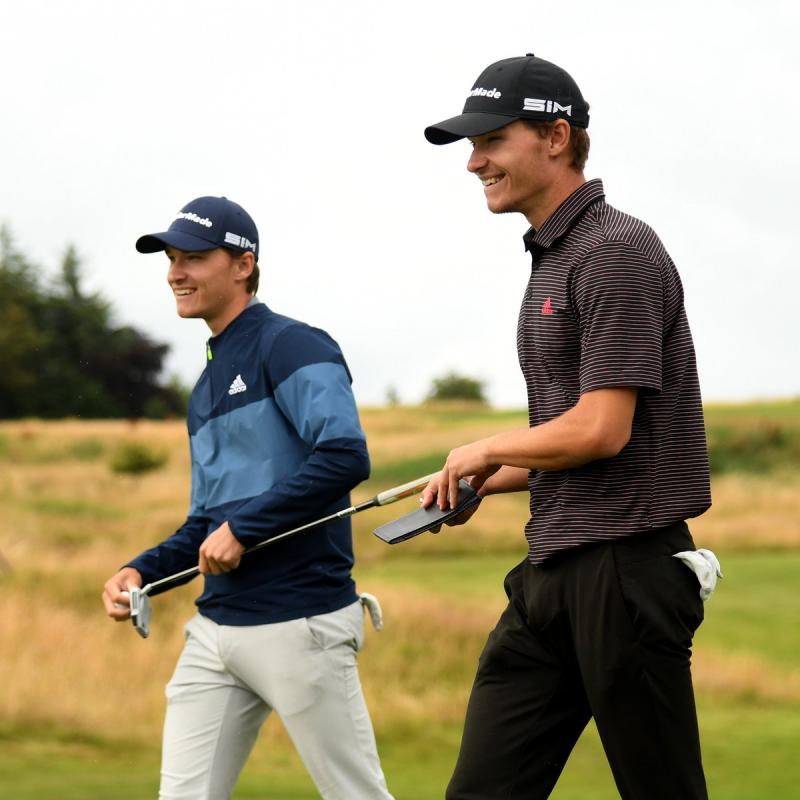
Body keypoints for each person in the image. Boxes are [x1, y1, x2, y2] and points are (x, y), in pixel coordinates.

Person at [421, 54, 715, 799]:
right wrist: (484, 476)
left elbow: (602, 431)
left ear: (557, 138)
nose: (474, 162)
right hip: (551, 572)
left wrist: (488, 446)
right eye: (472, 145)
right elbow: (573, 441)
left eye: (492, 140)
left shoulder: (614, 249)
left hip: (626, 572)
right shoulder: (555, 257)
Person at [101, 196, 393, 800]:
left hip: (302, 622)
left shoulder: (293, 345)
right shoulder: (205, 387)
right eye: (171, 259)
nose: (175, 273)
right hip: (216, 630)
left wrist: (244, 529)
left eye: (193, 258)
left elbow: (344, 456)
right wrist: (141, 571)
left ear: (243, 264)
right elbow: (206, 524)